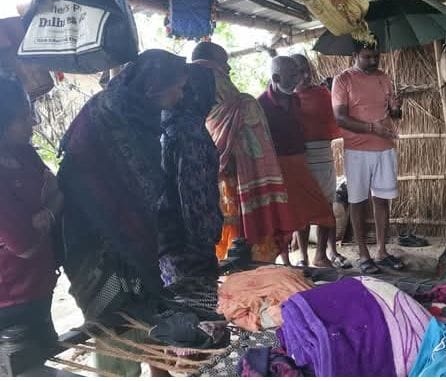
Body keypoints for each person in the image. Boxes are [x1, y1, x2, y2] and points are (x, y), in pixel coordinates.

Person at [58, 49, 188, 376]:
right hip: (94, 233)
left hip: (130, 229)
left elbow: (147, 183)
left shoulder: (140, 114)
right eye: (176, 87)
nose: (180, 95)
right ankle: (117, 373)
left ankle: (158, 368)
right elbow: (132, 180)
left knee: (148, 298)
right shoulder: (112, 114)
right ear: (153, 87)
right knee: (111, 311)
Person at [193, 42, 296, 264]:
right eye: (224, 63)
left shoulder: (188, 89)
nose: (228, 69)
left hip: (211, 173)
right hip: (231, 173)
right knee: (236, 228)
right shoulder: (235, 98)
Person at [331, 40, 405, 274]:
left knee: (382, 200)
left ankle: (381, 251)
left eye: (376, 57)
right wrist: (373, 129)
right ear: (355, 55)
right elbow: (340, 118)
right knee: (358, 201)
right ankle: (363, 254)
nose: (373, 61)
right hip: (357, 150)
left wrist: (396, 108)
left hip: (385, 147)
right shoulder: (343, 80)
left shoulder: (384, 77)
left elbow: (395, 115)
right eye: (367, 57)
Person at [258, 56, 336, 267]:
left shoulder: (294, 99)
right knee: (284, 216)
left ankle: (319, 257)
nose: (299, 78)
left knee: (322, 210)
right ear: (276, 78)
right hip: (277, 167)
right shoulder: (261, 105)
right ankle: (288, 263)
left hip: (300, 162)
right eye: (293, 75)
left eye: (299, 73)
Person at [0, 76, 60, 346]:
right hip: (11, 299)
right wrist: (49, 207)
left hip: (39, 285)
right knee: (28, 359)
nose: (33, 122)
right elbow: (23, 246)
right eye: (23, 118)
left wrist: (44, 216)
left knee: (46, 348)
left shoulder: (24, 153)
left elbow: (58, 190)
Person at [157, 64, 222, 298]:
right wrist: (205, 239)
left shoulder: (163, 124)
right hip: (189, 243)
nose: (212, 101)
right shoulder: (190, 133)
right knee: (200, 305)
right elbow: (194, 193)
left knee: (177, 300)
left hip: (167, 238)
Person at [290, 54, 350, 268]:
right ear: (289, 73)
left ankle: (322, 255)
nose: (305, 75)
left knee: (326, 205)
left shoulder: (322, 94)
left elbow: (334, 120)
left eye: (307, 70)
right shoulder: (285, 99)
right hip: (298, 156)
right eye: (299, 71)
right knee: (301, 208)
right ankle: (303, 257)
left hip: (323, 154)